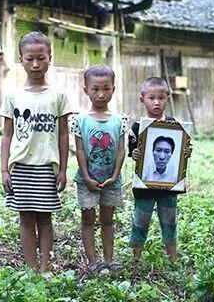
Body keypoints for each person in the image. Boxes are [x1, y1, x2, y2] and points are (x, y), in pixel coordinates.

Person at [0, 31, 71, 273]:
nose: (36, 64)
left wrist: (63, 169)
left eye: (41, 58)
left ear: (50, 58)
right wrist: (4, 170)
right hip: (21, 167)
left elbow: (63, 135)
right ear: (21, 60)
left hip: (47, 167)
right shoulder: (13, 95)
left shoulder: (58, 96)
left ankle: (45, 268)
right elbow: (7, 135)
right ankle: (31, 269)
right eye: (29, 59)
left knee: (45, 218)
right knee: (26, 218)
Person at [69, 65, 129, 275]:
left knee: (107, 220)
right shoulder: (80, 120)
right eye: (95, 89)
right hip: (87, 181)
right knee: (88, 220)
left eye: (106, 89)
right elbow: (79, 151)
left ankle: (109, 260)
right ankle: (93, 262)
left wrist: (115, 175)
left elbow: (121, 150)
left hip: (111, 181)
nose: (101, 94)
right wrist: (86, 177)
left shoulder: (119, 120)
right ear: (86, 90)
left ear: (114, 89)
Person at [129, 76, 190, 261]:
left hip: (169, 187)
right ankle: (136, 257)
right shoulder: (137, 127)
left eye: (161, 98)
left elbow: (183, 151)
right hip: (144, 186)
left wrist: (186, 151)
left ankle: (173, 257)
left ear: (167, 99)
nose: (156, 102)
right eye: (151, 98)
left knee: (169, 220)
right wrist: (135, 154)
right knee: (141, 220)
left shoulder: (174, 126)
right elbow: (132, 152)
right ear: (142, 99)